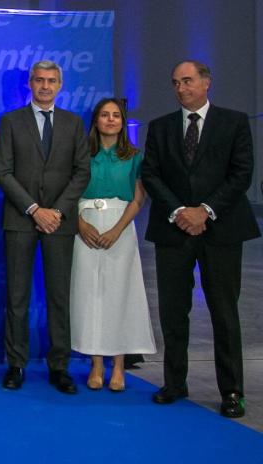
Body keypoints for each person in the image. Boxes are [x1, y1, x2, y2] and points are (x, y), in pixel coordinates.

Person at [142, 60, 259, 418]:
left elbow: (242, 174)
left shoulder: (234, 122)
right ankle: (175, 383)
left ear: (206, 83)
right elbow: (151, 173)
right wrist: (180, 212)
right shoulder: (160, 127)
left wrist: (204, 211)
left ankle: (232, 391)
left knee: (224, 313)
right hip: (173, 231)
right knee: (174, 313)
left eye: (188, 81)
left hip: (221, 230)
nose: (181, 88)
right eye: (176, 82)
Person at [0, 59, 90, 394]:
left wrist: (58, 212)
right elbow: (3, 172)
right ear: (30, 84)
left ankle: (59, 366)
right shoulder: (10, 122)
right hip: (21, 219)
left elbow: (82, 172)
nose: (45, 86)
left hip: (60, 223)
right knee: (17, 296)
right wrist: (35, 209)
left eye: (51, 81)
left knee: (58, 297)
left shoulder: (74, 123)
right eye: (39, 80)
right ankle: (16, 364)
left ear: (60, 85)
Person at [70, 97, 155, 392]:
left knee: (120, 295)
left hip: (120, 226)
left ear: (122, 121)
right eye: (104, 115)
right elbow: (69, 193)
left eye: (116, 115)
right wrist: (80, 223)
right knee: (90, 295)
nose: (110, 120)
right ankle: (95, 364)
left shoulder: (133, 156)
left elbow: (138, 198)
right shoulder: (81, 153)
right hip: (85, 225)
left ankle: (118, 366)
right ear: (95, 120)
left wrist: (119, 229)